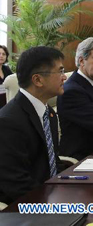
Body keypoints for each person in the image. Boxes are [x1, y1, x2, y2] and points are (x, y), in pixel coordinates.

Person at [0, 46, 65, 203]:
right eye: (60, 71)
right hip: (24, 208)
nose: (64, 77)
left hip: (50, 195)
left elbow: (52, 163)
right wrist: (58, 206)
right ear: (38, 80)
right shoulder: (9, 121)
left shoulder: (48, 113)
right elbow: (15, 184)